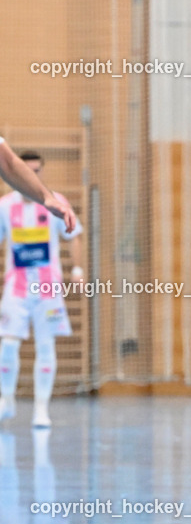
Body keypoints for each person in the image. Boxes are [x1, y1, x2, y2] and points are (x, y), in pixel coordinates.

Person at [0, 142, 81, 429]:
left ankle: (41, 409)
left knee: (46, 345)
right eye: (26, 171)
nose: (31, 176)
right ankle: (7, 399)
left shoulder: (54, 201)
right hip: (17, 284)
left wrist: (78, 269)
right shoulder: (5, 207)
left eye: (36, 172)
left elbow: (74, 235)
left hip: (47, 285)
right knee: (7, 345)